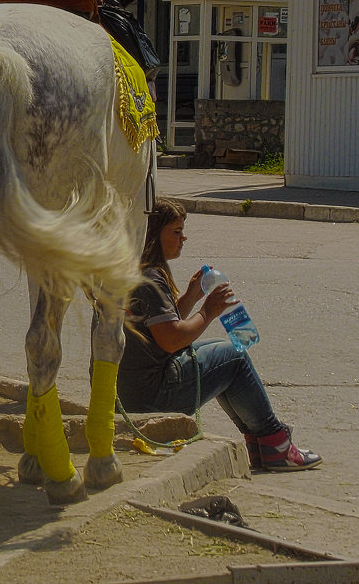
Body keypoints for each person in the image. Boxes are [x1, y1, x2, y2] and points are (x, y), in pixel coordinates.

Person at [117, 197, 322, 473]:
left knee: (222, 352)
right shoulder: (151, 280)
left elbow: (158, 330)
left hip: (129, 392)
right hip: (149, 396)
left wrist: (190, 296)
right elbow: (171, 340)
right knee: (233, 357)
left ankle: (259, 441)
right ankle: (275, 443)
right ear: (153, 235)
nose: (183, 238)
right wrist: (208, 312)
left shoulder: (136, 272)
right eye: (176, 232)